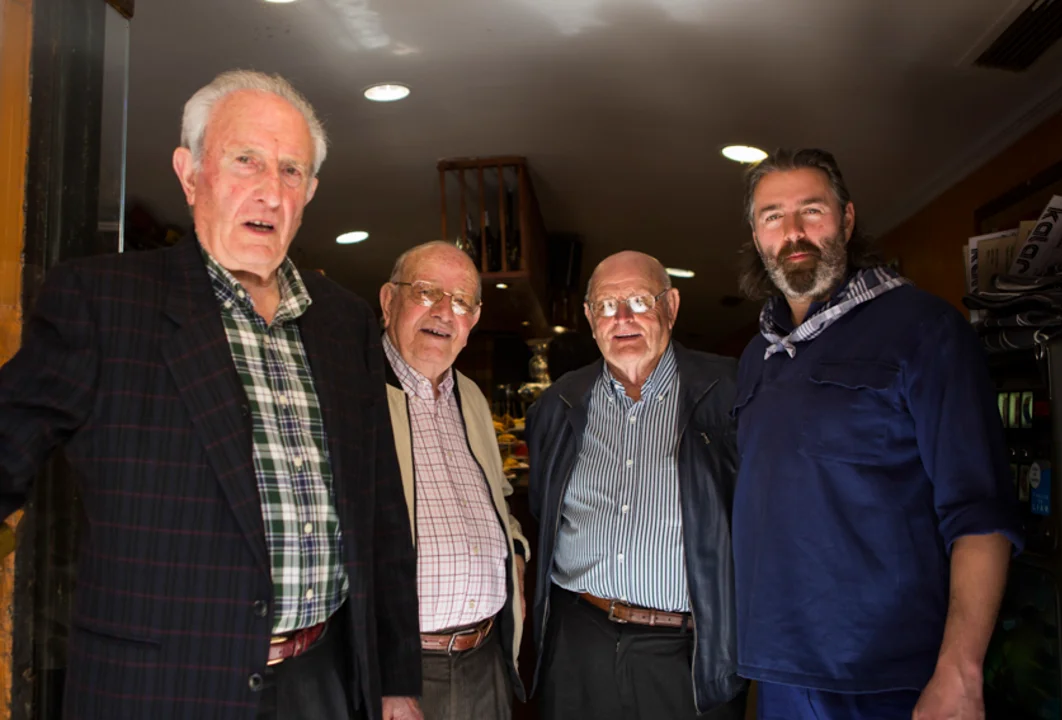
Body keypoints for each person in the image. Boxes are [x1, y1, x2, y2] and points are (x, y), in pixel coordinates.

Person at [0, 70, 422, 720]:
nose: (270, 191)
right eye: (245, 160)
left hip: (323, 679)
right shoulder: (102, 302)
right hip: (159, 689)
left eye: (290, 170)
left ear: (309, 192)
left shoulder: (344, 320)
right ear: (190, 172)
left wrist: (395, 682)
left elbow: (381, 511)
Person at [732, 148, 1023, 720]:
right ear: (757, 236)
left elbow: (981, 511)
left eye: (811, 210)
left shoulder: (925, 329)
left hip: (889, 676)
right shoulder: (755, 356)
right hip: (779, 670)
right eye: (773, 216)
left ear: (846, 219)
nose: (793, 232)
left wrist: (960, 671)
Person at [526, 251, 747, 720]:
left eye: (640, 301)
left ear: (672, 305)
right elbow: (545, 511)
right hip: (578, 642)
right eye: (606, 305)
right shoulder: (558, 403)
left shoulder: (733, 392)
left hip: (689, 652)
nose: (622, 318)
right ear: (590, 318)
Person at [378, 241, 531, 720]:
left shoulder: (471, 397)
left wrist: (516, 551)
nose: (444, 311)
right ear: (388, 300)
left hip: (485, 659)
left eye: (461, 301)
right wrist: (382, 678)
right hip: (400, 673)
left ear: (474, 318)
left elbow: (499, 498)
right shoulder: (353, 391)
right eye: (426, 291)